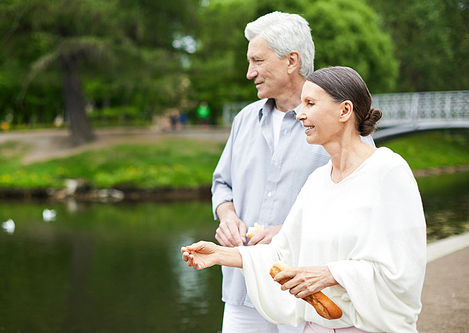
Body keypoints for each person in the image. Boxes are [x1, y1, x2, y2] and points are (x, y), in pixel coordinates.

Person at [182, 66, 427, 333]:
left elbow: (405, 269)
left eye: (310, 104)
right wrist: (221, 255)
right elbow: (282, 254)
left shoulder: (388, 171)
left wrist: (330, 274)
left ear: (344, 111)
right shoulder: (318, 181)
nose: (299, 114)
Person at [210, 11, 374, 332]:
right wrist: (227, 216)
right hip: (243, 288)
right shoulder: (244, 119)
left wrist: (289, 231)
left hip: (308, 293)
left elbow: (364, 203)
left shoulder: (341, 119)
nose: (249, 72)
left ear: (291, 61)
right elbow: (221, 184)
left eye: (257, 60)